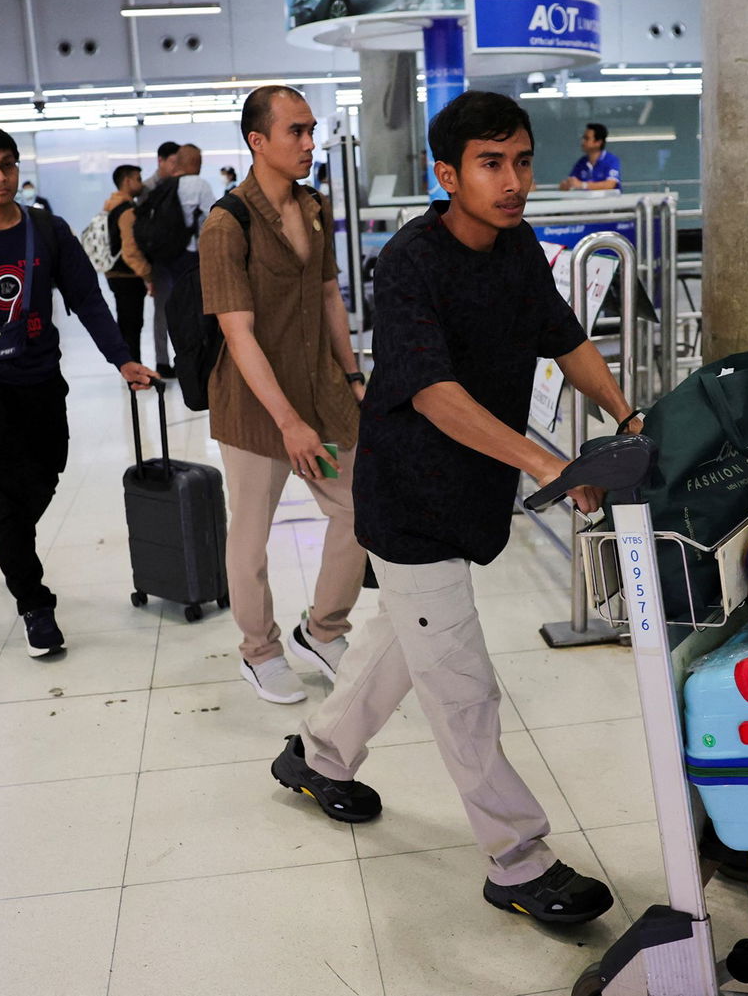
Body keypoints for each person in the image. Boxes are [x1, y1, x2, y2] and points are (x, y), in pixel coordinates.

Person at [271, 90, 637, 925]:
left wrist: (626, 412)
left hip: (470, 493)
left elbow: (566, 334)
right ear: (447, 173)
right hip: (409, 501)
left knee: (402, 643)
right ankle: (517, 858)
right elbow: (433, 393)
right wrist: (547, 460)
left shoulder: (517, 248)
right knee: (462, 687)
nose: (513, 182)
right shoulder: (410, 263)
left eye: (521, 161)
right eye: (490, 164)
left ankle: (319, 756)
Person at [0, 124, 156, 658]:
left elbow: (89, 301)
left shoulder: (48, 231)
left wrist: (123, 358)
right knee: (4, 495)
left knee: (46, 473)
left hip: (42, 380)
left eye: (7, 165)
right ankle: (34, 602)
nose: (0, 177)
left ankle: (13, 540)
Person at [198, 86, 363, 705]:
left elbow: (328, 298)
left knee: (357, 509)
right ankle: (259, 650)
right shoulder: (226, 224)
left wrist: (352, 376)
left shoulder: (314, 207)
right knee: (252, 533)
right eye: (295, 131)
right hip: (253, 405)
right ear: (257, 141)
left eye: (311, 129)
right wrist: (288, 423)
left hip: (321, 389)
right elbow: (237, 335)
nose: (308, 143)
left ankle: (323, 629)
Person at [129, 142, 213, 379]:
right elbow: (211, 221)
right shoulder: (200, 185)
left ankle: (162, 362)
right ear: (197, 163)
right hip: (189, 259)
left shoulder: (161, 187)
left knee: (162, 311)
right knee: (194, 310)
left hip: (162, 260)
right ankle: (193, 362)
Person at [103, 164, 151, 364]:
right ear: (127, 181)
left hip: (114, 272)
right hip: (128, 274)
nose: (141, 184)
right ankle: (134, 368)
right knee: (132, 324)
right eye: (138, 179)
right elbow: (131, 249)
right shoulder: (127, 211)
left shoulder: (110, 206)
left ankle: (129, 366)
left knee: (125, 323)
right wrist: (147, 275)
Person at [559, 122, 621, 191]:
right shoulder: (581, 162)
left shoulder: (611, 160)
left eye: (586, 138)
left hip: (608, 201)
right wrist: (566, 185)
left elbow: (610, 184)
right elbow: (572, 181)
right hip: (586, 201)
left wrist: (583, 185)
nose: (583, 141)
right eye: (583, 138)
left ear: (598, 143)